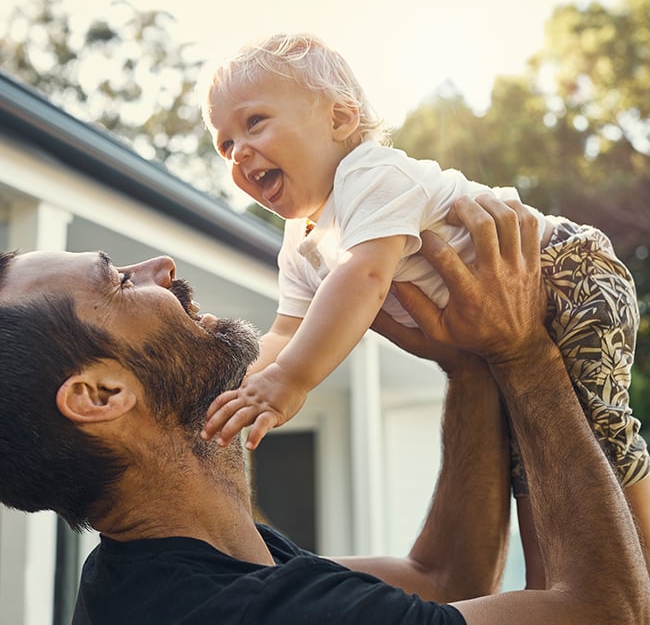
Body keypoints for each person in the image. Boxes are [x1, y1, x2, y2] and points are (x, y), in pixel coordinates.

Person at [0, 196, 648, 623]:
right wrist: (524, 354)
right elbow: (608, 610)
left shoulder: (175, 571)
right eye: (118, 280)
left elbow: (447, 576)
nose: (159, 267)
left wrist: (469, 360)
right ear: (101, 396)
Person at [200, 33, 650, 584]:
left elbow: (362, 279)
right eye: (224, 145)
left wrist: (291, 381)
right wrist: (231, 384)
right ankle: (558, 587)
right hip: (504, 321)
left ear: (340, 120)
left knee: (596, 433)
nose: (238, 151)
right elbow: (285, 331)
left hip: (563, 270)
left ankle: (639, 578)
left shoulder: (369, 175)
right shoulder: (302, 239)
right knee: (532, 458)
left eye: (255, 123)